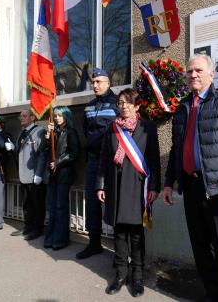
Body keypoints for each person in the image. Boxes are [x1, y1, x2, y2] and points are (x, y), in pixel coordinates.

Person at [162, 54, 218, 302]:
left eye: (198, 70)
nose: (193, 75)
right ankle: (214, 296)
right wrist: (169, 183)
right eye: (189, 72)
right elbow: (177, 150)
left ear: (212, 75)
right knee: (200, 248)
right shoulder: (182, 108)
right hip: (191, 187)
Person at [96, 88, 161, 297]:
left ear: (137, 105)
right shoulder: (112, 128)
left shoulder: (147, 128)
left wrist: (154, 187)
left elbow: (154, 160)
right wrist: (101, 184)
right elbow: (104, 159)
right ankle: (121, 273)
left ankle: (138, 276)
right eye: (120, 103)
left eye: (127, 103)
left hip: (137, 186)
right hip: (115, 185)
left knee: (136, 233)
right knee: (120, 231)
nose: (123, 107)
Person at [77, 67, 119, 260]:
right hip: (94, 159)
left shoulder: (118, 103)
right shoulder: (89, 106)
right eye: (93, 82)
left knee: (116, 201)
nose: (95, 85)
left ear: (108, 83)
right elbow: (86, 132)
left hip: (113, 160)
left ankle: (121, 249)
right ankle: (94, 244)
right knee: (92, 202)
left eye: (99, 82)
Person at [41, 106, 80, 250]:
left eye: (60, 115)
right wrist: (47, 135)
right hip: (52, 175)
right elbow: (42, 149)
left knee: (60, 207)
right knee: (51, 207)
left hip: (64, 174)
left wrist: (58, 162)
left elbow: (74, 153)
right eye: (55, 115)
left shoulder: (71, 132)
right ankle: (50, 236)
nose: (57, 118)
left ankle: (61, 239)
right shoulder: (53, 132)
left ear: (66, 116)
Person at [9, 109, 47, 240]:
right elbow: (21, 151)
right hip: (23, 174)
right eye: (20, 116)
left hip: (34, 175)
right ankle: (27, 227)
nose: (21, 118)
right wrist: (14, 148)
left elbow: (42, 153)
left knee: (37, 204)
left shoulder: (39, 131)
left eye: (24, 116)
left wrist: (39, 173)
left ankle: (37, 229)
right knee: (26, 204)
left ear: (32, 118)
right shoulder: (22, 132)